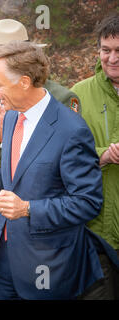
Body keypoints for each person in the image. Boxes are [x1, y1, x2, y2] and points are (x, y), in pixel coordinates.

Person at [0, 41, 107, 299]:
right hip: (4, 257)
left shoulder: (72, 130)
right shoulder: (12, 118)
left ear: (25, 82)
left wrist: (27, 209)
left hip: (48, 265)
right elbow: (23, 177)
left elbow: (87, 202)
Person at [71, 14, 119, 299]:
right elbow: (66, 156)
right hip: (95, 233)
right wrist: (103, 155)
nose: (112, 58)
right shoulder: (79, 94)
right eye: (106, 50)